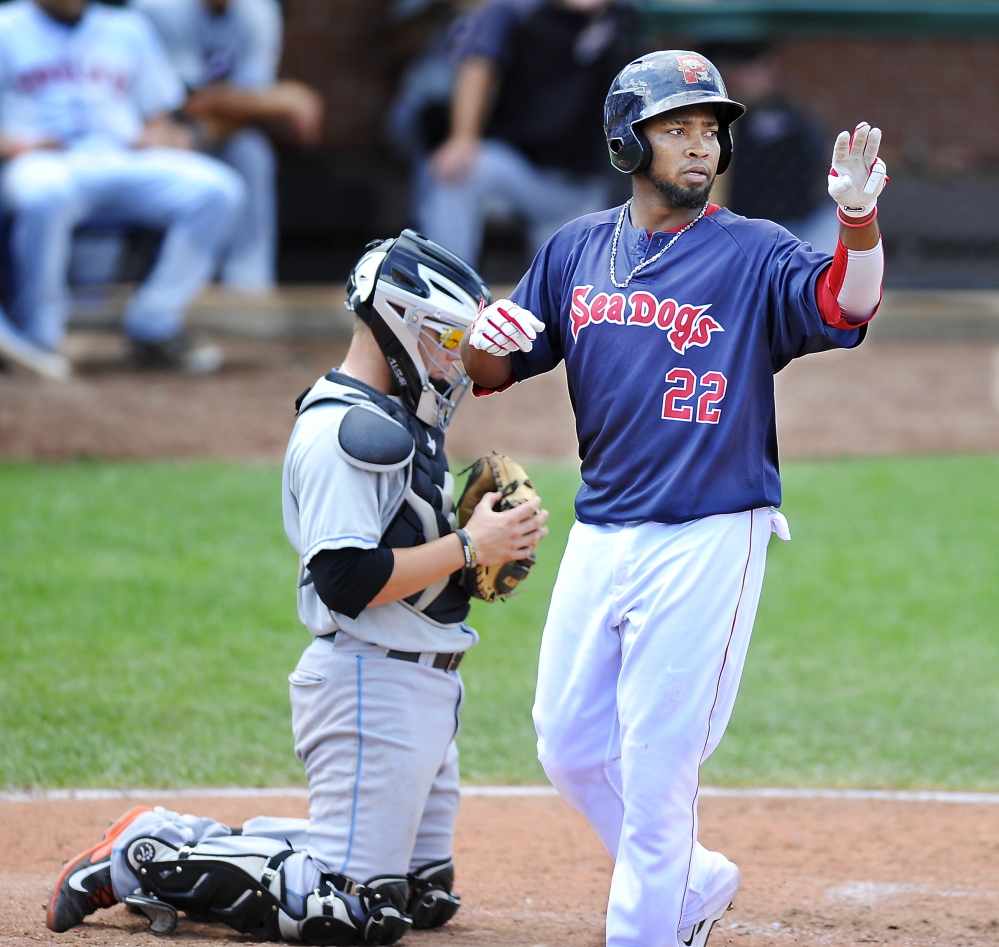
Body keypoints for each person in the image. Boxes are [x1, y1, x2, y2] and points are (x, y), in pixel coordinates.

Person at [459, 49, 887, 947]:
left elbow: (847, 304)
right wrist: (479, 340)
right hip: (602, 531)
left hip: (707, 536)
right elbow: (497, 367)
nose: (700, 146)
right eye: (677, 128)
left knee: (657, 778)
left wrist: (855, 220)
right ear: (628, 140)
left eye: (708, 130)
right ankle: (689, 879)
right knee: (567, 746)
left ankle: (650, 926)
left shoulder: (753, 252)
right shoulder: (575, 250)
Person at [45, 230, 550, 946]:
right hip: (370, 680)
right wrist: (470, 545)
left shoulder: (399, 417)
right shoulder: (348, 430)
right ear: (402, 325)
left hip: (423, 689)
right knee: (351, 908)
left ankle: (242, 847)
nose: (453, 356)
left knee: (421, 893)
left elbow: (401, 549)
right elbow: (345, 580)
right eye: (443, 336)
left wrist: (473, 559)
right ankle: (146, 851)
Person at [0, 0, 246, 375]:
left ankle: (155, 323)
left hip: (122, 155)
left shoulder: (127, 27)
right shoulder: (6, 26)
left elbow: (160, 114)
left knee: (218, 190)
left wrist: (164, 136)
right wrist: (16, 144)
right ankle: (39, 336)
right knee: (45, 194)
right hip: (40, 159)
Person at [415, 0, 635, 267]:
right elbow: (479, 64)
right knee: (454, 171)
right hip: (518, 169)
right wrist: (463, 137)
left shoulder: (631, 16)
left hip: (585, 190)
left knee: (572, 296)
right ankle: (446, 290)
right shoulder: (516, 9)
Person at [132, 0, 324, 295]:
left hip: (209, 132)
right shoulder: (159, 7)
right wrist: (278, 99)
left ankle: (248, 287)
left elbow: (242, 106)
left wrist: (207, 127)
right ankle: (160, 287)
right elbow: (185, 102)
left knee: (251, 152)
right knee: (171, 151)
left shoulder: (257, 11)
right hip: (145, 132)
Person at [708, 41, 839, 253]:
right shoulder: (703, 125)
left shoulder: (790, 120)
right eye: (730, 65)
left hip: (798, 228)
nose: (737, 75)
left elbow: (814, 163)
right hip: (734, 231)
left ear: (770, 68)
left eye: (747, 65)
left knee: (833, 222)